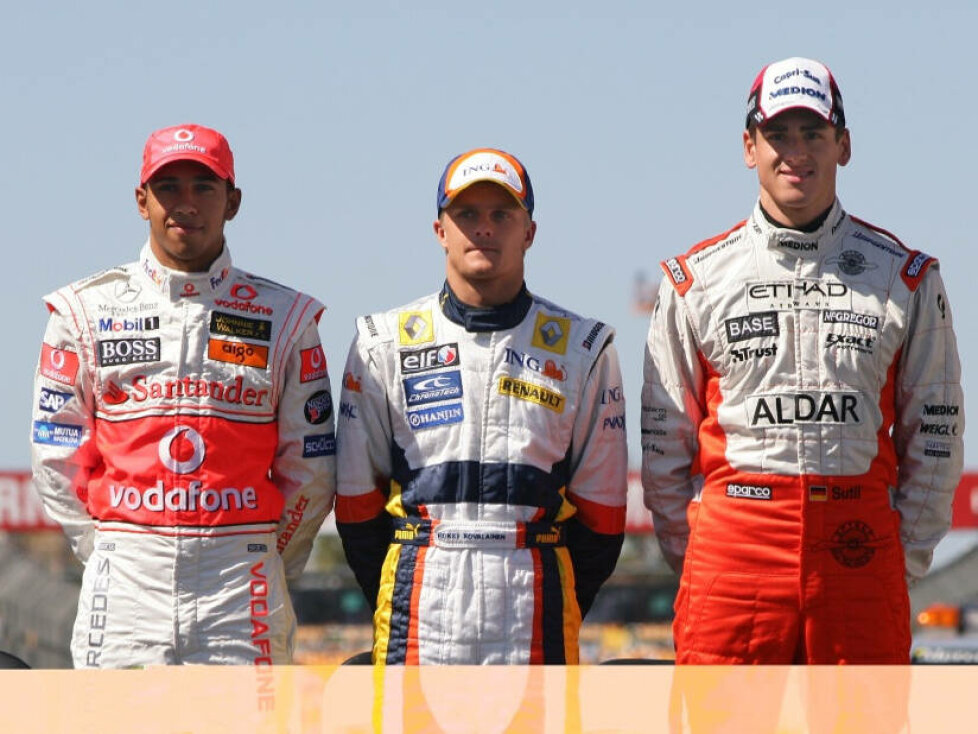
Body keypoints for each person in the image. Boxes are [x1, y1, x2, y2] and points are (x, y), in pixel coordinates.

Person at [642, 57, 964, 664]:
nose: (795, 151)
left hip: (859, 544)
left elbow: (938, 430)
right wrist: (704, 549)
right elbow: (664, 445)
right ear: (748, 146)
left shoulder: (905, 275)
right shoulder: (696, 280)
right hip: (734, 547)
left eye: (812, 133)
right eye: (777, 134)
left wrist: (905, 555)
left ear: (843, 145)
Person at [30, 123, 335, 667]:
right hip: (125, 584)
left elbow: (311, 471)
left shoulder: (287, 318)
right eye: (169, 187)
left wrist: (263, 555)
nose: (186, 204)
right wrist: (111, 553)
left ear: (233, 201)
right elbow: (57, 458)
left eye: (204, 186)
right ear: (141, 200)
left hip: (241, 582)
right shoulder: (82, 311)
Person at [335, 148, 628, 664]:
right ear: (439, 230)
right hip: (418, 602)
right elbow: (357, 510)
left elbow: (603, 519)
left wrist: (552, 590)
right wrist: (401, 583)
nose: (483, 228)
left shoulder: (584, 348)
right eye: (467, 214)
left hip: (534, 603)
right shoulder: (382, 344)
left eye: (502, 214)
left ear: (530, 231)